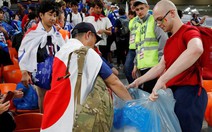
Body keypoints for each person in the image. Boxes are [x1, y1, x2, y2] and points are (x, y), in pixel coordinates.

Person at [128, 0, 208, 131]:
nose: (158, 24)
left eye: (160, 20)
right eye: (156, 21)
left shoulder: (189, 31)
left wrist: (162, 79)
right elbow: (161, 66)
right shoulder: (170, 41)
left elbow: (196, 49)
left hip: (190, 93)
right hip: (175, 94)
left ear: (172, 13)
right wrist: (138, 81)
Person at [41, 22, 132, 131]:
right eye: (95, 41)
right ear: (88, 35)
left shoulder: (60, 52)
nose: (94, 45)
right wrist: (132, 104)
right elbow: (114, 81)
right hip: (75, 120)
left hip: (52, 115)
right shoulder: (86, 53)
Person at [18, 1, 65, 113]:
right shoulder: (32, 33)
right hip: (39, 71)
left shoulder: (57, 34)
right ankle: (43, 122)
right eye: (50, 14)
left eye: (54, 15)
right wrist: (24, 72)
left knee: (56, 98)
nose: (53, 18)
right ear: (41, 15)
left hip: (56, 70)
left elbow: (64, 51)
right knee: (43, 97)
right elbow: (23, 52)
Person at [131, 0, 168, 93]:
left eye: (142, 8)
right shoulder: (138, 25)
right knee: (145, 95)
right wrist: (136, 64)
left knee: (151, 96)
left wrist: (161, 63)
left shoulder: (154, 20)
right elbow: (138, 46)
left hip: (153, 66)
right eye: (137, 9)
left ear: (147, 7)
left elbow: (163, 40)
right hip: (142, 66)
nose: (139, 12)